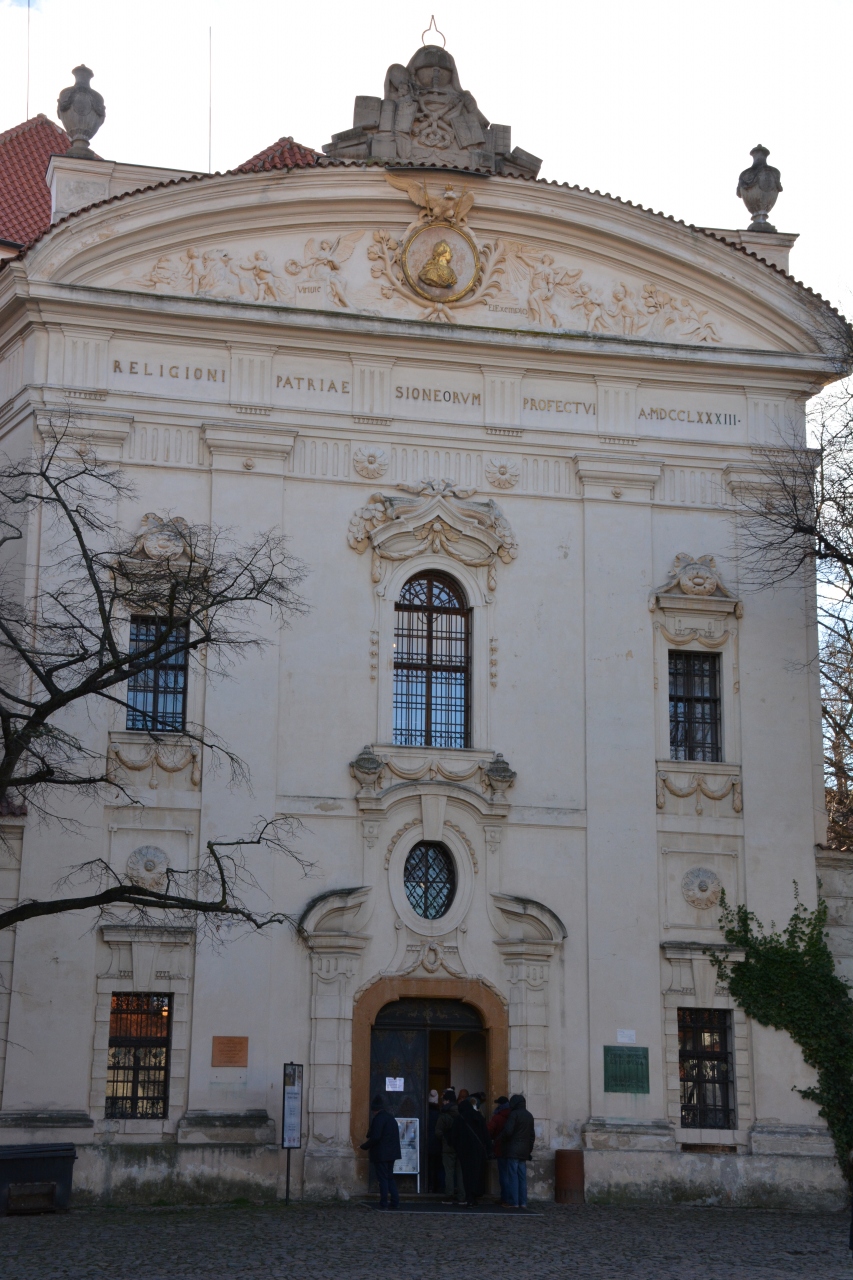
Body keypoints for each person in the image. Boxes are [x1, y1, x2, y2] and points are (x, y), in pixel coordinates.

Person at [360, 1094, 401, 1209]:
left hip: (381, 1154)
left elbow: (375, 1137)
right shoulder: (391, 1118)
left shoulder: (378, 1119)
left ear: (374, 1109)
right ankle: (395, 1201)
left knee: (383, 1179)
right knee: (390, 1178)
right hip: (392, 1153)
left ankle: (384, 1203)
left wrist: (365, 1146)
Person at [451, 1097, 490, 1207]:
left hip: (464, 1151)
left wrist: (457, 1148)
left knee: (466, 1175)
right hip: (478, 1150)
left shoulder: (459, 1119)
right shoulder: (478, 1116)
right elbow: (486, 1134)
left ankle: (469, 1197)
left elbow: (453, 1137)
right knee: (477, 1173)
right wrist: (489, 1148)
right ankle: (475, 1195)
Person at [500, 1094, 535, 1209]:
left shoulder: (514, 1114)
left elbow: (508, 1131)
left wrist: (501, 1140)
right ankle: (523, 1202)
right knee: (522, 1177)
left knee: (513, 1176)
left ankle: (513, 1201)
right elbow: (532, 1136)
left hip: (513, 1149)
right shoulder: (529, 1115)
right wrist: (529, 1150)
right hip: (524, 1150)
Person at [435, 1089, 465, 1204]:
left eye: (444, 1100)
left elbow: (438, 1132)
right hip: (460, 1146)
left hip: (448, 1147)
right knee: (460, 1172)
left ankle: (449, 1195)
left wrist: (444, 1139)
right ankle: (462, 1195)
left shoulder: (444, 1114)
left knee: (449, 1172)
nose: (443, 1102)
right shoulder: (461, 1112)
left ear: (447, 1101)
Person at [487, 1095, 512, 1206]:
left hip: (500, 1148)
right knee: (512, 1174)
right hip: (512, 1149)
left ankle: (505, 1198)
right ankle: (513, 1197)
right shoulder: (513, 1115)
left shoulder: (497, 1117)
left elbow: (489, 1130)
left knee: (503, 1174)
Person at [427, 1088, 443, 1192]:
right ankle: (438, 1187)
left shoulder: (425, 1113)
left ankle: (429, 1185)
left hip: (427, 1143)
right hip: (438, 1143)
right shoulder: (439, 1114)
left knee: (429, 1166)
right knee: (438, 1166)